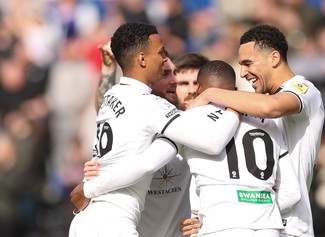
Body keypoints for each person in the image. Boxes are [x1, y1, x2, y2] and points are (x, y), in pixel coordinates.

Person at [82, 60, 301, 237]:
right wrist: (254, 206)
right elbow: (292, 193)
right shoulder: (267, 123)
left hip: (219, 225)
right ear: (233, 90)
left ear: (200, 89)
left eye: (192, 84)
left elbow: (144, 163)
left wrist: (91, 186)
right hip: (269, 225)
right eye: (181, 83)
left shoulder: (186, 125)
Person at [68, 22, 239, 237]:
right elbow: (211, 142)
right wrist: (236, 107)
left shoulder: (114, 96)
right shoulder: (151, 106)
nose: (164, 59)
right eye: (159, 53)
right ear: (141, 59)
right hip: (114, 222)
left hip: (87, 220)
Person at [188, 25, 325, 237]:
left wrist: (211, 93)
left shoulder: (304, 90)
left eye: (248, 63)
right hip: (254, 225)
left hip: (292, 227)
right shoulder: (251, 103)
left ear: (274, 58)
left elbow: (271, 108)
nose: (243, 73)